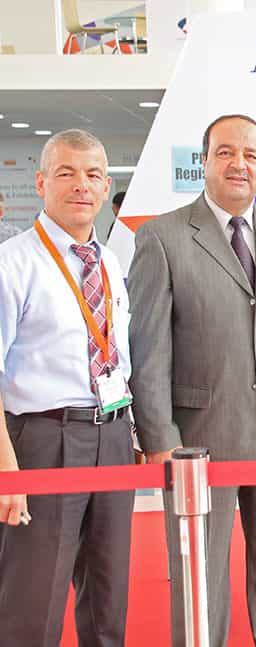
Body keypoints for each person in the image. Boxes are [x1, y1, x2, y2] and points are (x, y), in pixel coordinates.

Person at [127, 114, 256, 647]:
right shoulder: (162, 237)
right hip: (198, 440)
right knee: (200, 572)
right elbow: (148, 350)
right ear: (205, 160)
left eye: (251, 155)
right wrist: (160, 438)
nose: (239, 164)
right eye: (225, 152)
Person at [0, 129, 134, 646]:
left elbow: (118, 358)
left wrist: (133, 434)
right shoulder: (15, 263)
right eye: (66, 173)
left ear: (105, 189)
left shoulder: (109, 261)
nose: (81, 184)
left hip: (113, 437)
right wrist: (7, 468)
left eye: (94, 175)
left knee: (108, 601)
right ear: (41, 182)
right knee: (34, 601)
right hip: (43, 442)